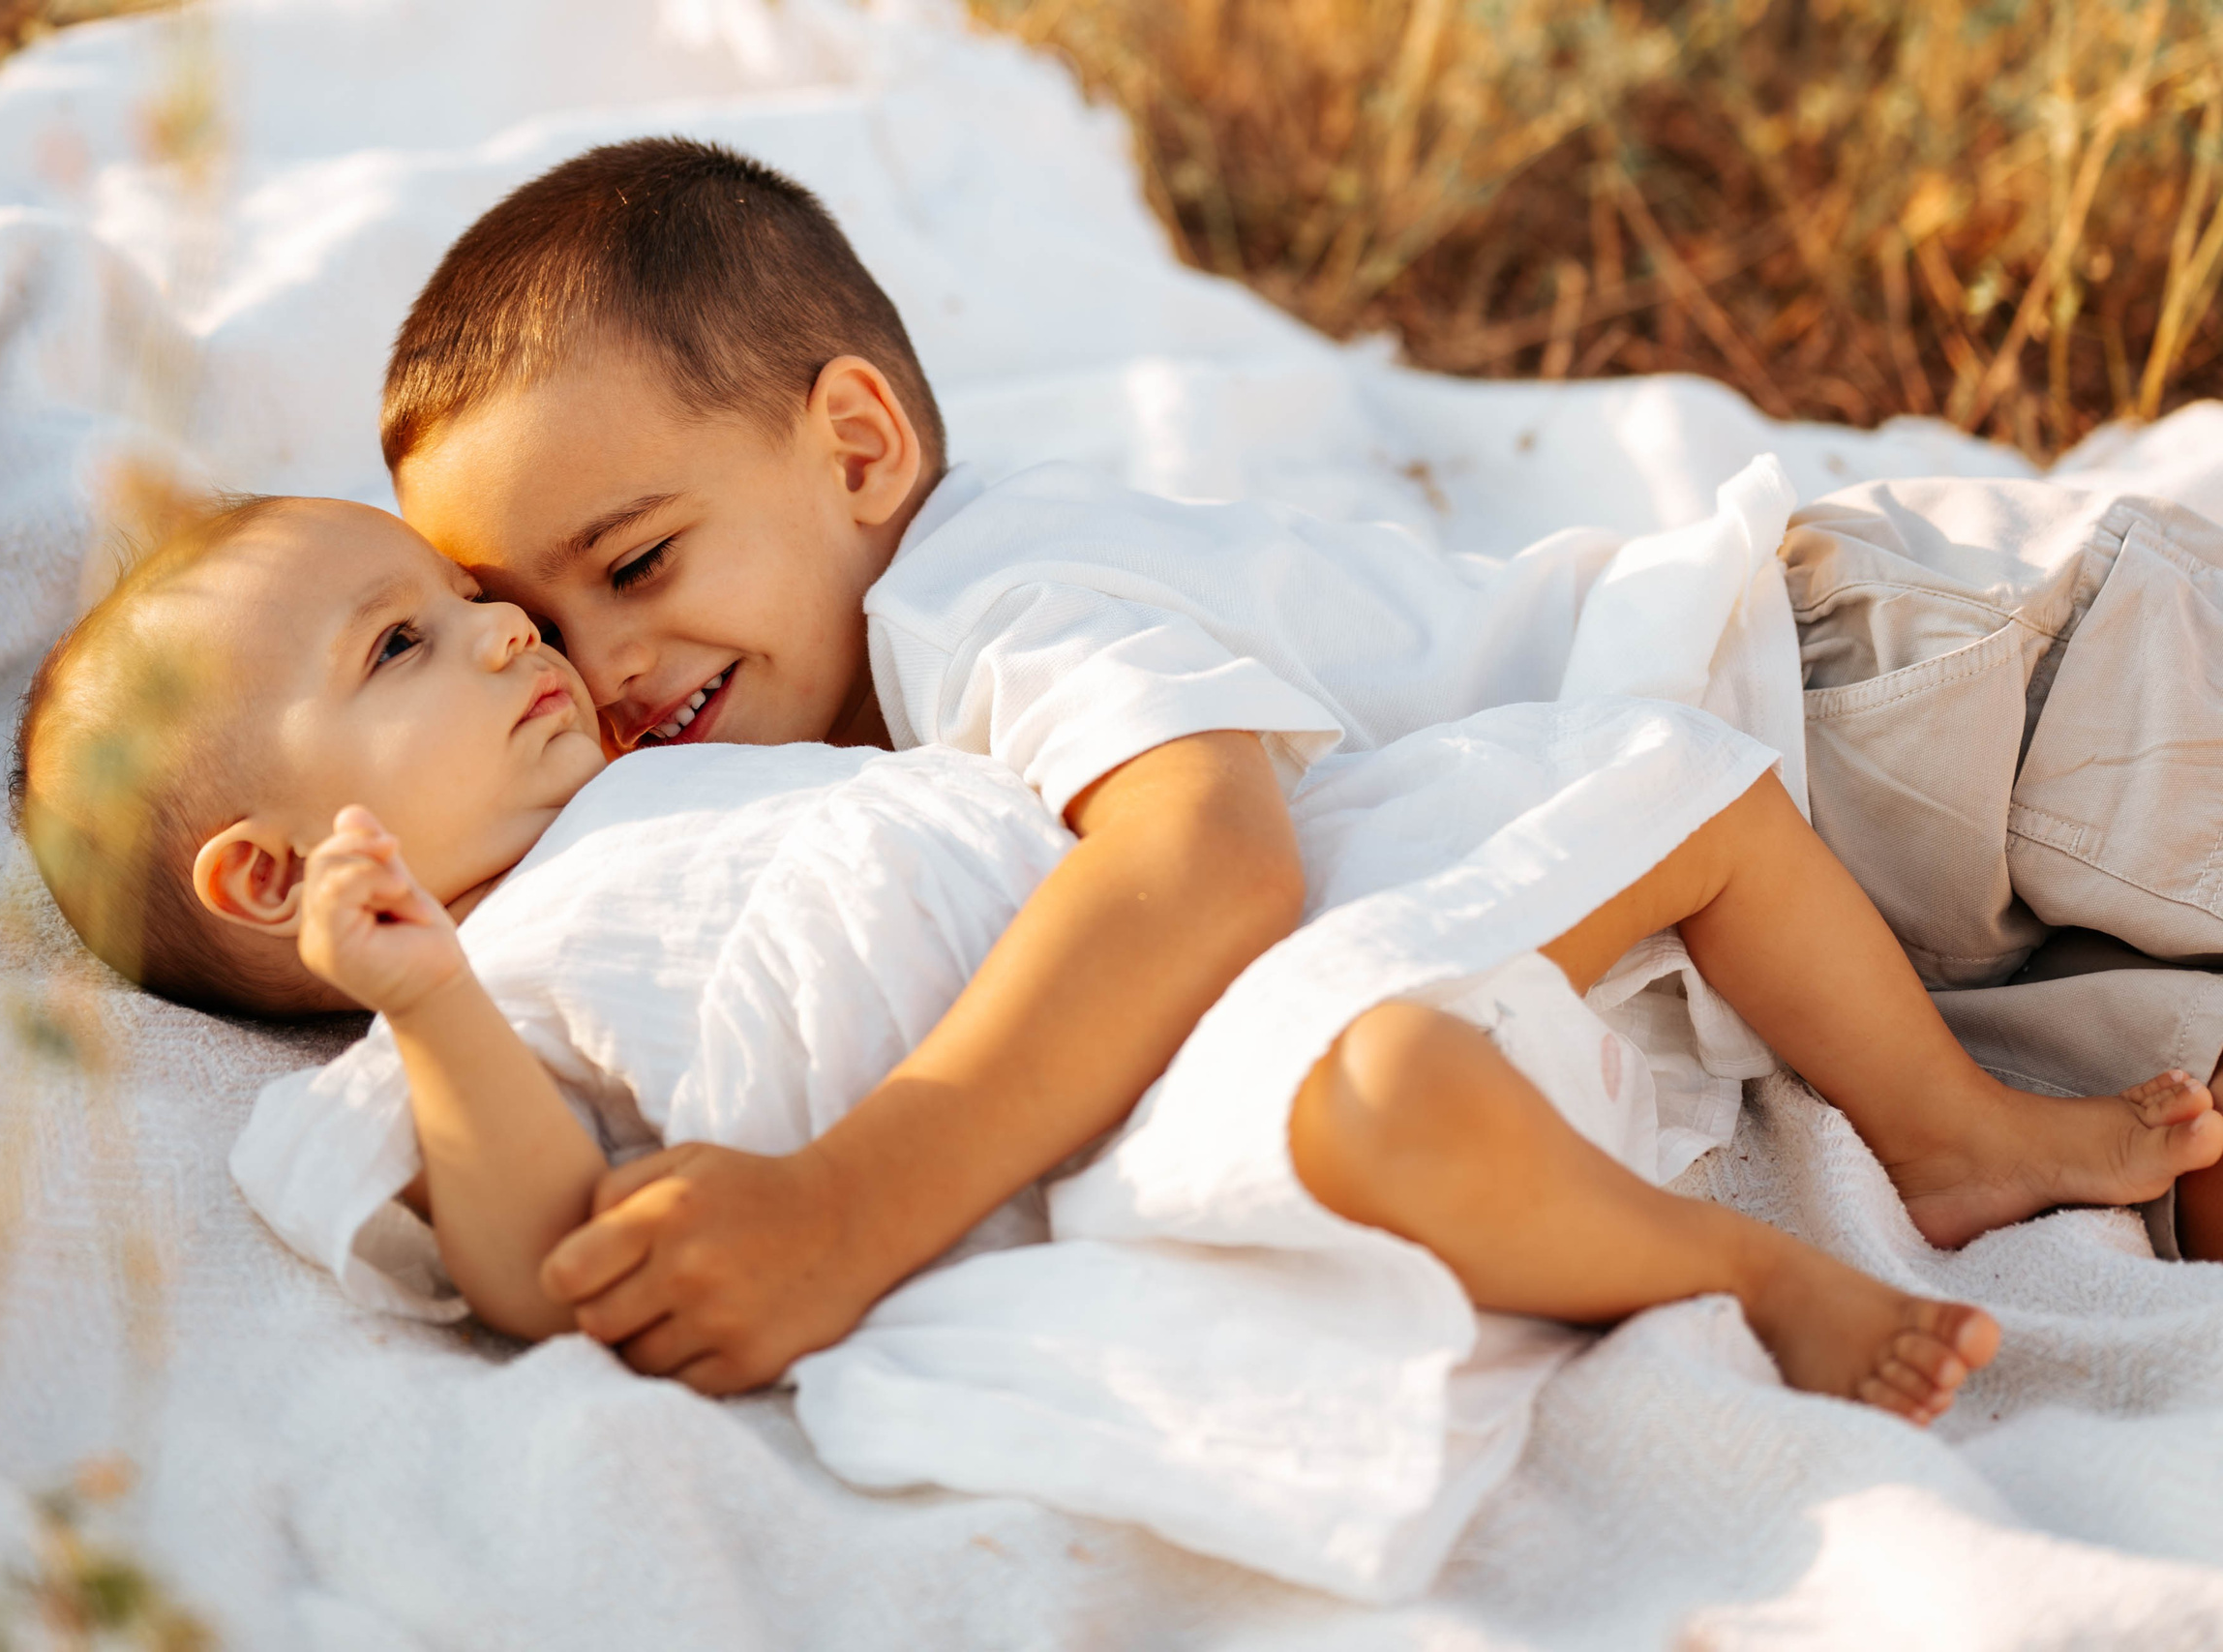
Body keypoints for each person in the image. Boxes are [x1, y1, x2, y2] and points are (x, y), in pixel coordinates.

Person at [372, 135, 2223, 1399]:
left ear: (857, 450)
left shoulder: (986, 593)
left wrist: (857, 1201)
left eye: (635, 565)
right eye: (523, 617)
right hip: (1824, 900)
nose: (595, 666)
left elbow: (1204, 865)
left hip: (1897, 698)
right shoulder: (853, 720)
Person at [12, 493, 2222, 1424]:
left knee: (1668, 774)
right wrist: (423, 999)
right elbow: (530, 1252)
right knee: (1379, 1099)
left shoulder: (726, 757)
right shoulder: (479, 982)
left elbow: (1160, 844)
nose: (517, 635)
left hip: (1204, 955)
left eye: (475, 597)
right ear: (269, 876)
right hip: (1154, 1117)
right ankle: (1750, 1274)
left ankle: (1948, 1129)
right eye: (405, 643)